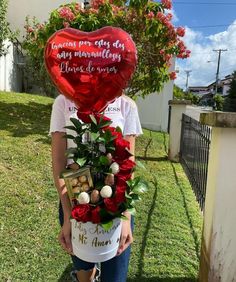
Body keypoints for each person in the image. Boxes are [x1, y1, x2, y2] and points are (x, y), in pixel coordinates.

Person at [50, 94, 142, 282]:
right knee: (85, 271)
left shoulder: (126, 105)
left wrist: (125, 218)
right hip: (76, 202)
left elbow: (128, 164)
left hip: (116, 206)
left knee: (115, 277)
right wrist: (68, 216)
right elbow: (59, 163)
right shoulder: (63, 102)